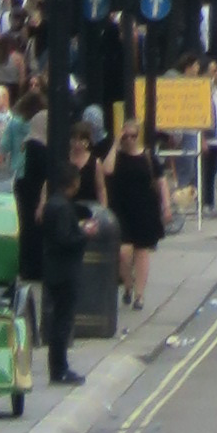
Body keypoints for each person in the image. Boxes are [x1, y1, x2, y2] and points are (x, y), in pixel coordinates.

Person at [39, 125, 100, 388]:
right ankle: (60, 368)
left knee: (59, 320)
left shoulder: (53, 205)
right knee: (63, 321)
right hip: (65, 272)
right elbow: (66, 240)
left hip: (53, 269)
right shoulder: (62, 209)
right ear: (72, 184)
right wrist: (85, 233)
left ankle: (58, 366)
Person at [106, 120, 169, 317]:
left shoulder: (148, 155)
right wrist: (116, 144)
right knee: (123, 252)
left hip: (145, 208)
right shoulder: (117, 155)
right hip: (121, 209)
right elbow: (107, 170)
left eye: (134, 136)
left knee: (142, 252)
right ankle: (128, 284)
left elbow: (161, 181)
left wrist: (166, 206)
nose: (130, 140)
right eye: (127, 136)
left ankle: (139, 295)